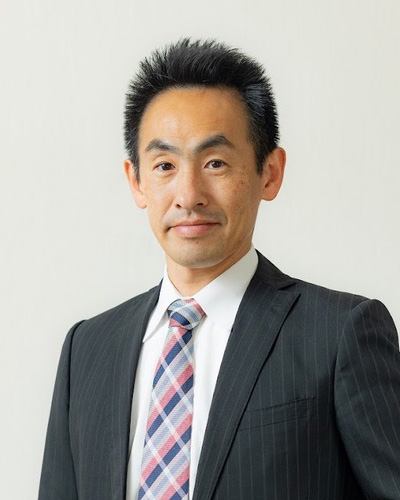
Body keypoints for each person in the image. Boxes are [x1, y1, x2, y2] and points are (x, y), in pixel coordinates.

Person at [39, 38, 400, 500]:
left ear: (270, 172)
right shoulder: (87, 349)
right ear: (136, 181)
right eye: (164, 165)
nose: (189, 195)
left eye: (215, 162)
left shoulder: (339, 333)